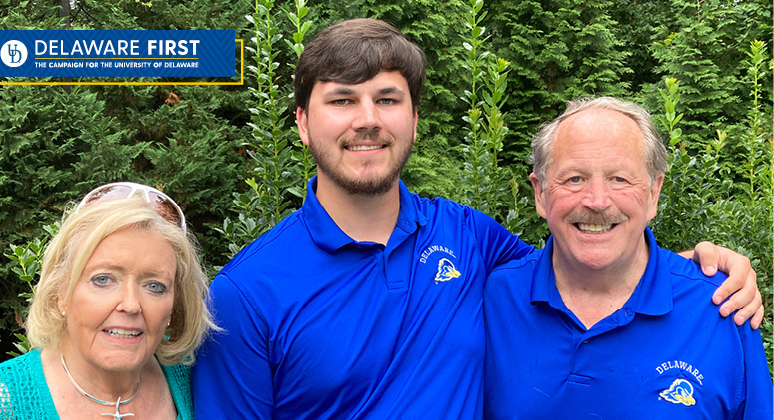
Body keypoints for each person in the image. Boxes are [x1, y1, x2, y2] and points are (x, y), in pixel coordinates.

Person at [192, 19, 763, 419]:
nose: (366, 120)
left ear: (414, 119)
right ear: (300, 122)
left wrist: (701, 266)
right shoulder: (247, 292)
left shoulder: (470, 239)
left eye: (387, 99)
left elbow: (586, 254)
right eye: (342, 100)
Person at [483, 97, 773, 419]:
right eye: (574, 179)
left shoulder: (723, 307)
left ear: (653, 194)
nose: (597, 201)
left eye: (619, 179)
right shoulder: (494, 297)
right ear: (540, 194)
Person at [0, 182, 216, 420]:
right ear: (61, 291)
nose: (131, 304)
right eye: (103, 280)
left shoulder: (195, 378)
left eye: (154, 286)